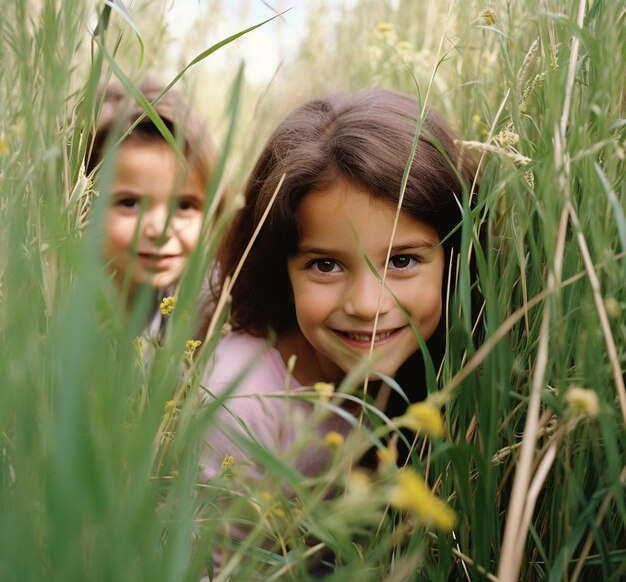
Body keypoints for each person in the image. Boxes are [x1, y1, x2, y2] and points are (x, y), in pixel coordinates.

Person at [198, 88, 478, 482]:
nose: (366, 305)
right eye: (325, 265)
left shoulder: (462, 369)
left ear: (457, 258)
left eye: (402, 261)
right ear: (281, 269)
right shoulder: (239, 404)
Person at [87, 75, 225, 339]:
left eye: (185, 205)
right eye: (129, 203)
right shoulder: (47, 306)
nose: (160, 230)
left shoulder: (215, 310)